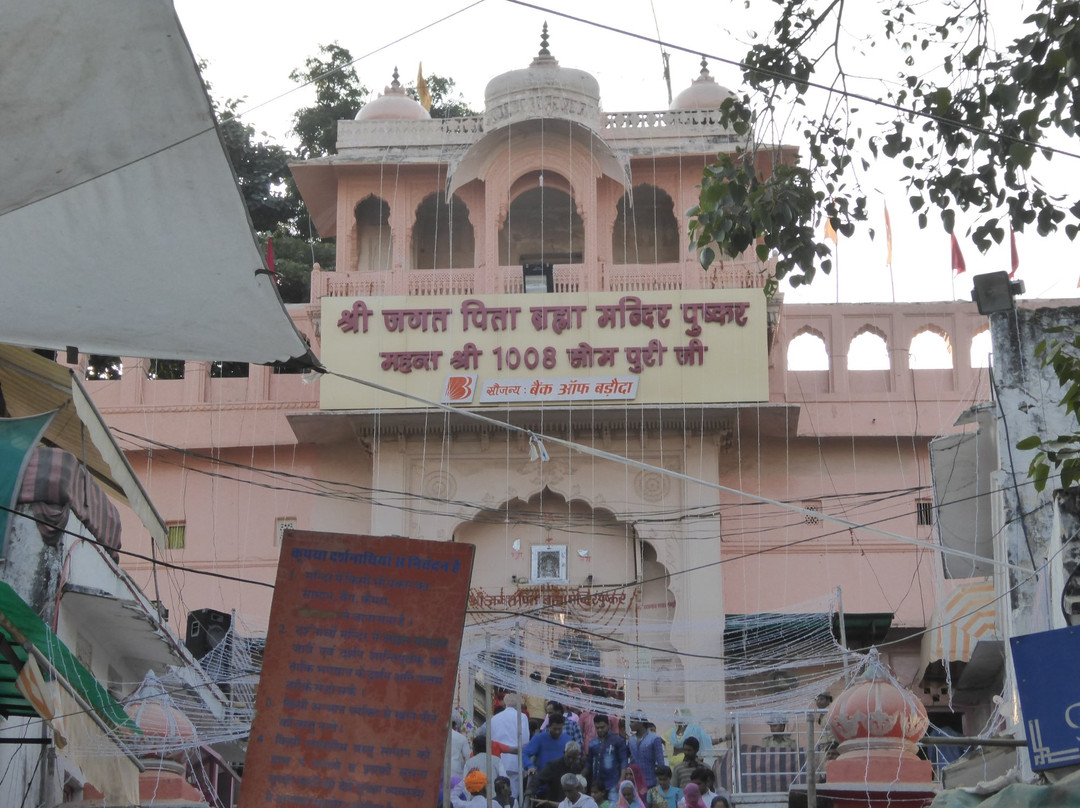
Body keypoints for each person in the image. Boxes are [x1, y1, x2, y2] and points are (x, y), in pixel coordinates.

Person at [491, 694, 531, 799]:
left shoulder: (494, 718)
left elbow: (491, 740)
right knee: (513, 794)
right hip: (515, 760)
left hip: (498, 758)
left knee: (498, 793)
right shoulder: (522, 717)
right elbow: (525, 740)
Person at [587, 713, 629, 802]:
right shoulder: (593, 743)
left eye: (602, 727)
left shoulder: (618, 740)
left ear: (608, 725)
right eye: (597, 728)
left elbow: (624, 761)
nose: (600, 730)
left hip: (613, 783)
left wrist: (621, 779)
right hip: (597, 784)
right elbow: (589, 762)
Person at [530, 741, 584, 805]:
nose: (571, 760)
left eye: (574, 758)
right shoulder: (553, 765)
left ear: (578, 756)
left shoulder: (577, 767)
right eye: (568, 757)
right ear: (564, 753)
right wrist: (531, 789)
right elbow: (540, 779)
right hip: (554, 801)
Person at [627, 713, 666, 790]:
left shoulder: (654, 738)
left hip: (651, 781)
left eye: (632, 722)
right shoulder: (631, 740)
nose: (630, 724)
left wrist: (661, 780)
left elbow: (660, 762)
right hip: (635, 782)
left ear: (641, 722)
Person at [449, 716, 470, 781]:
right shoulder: (462, 738)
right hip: (456, 771)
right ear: (455, 726)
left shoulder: (439, 736)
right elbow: (468, 757)